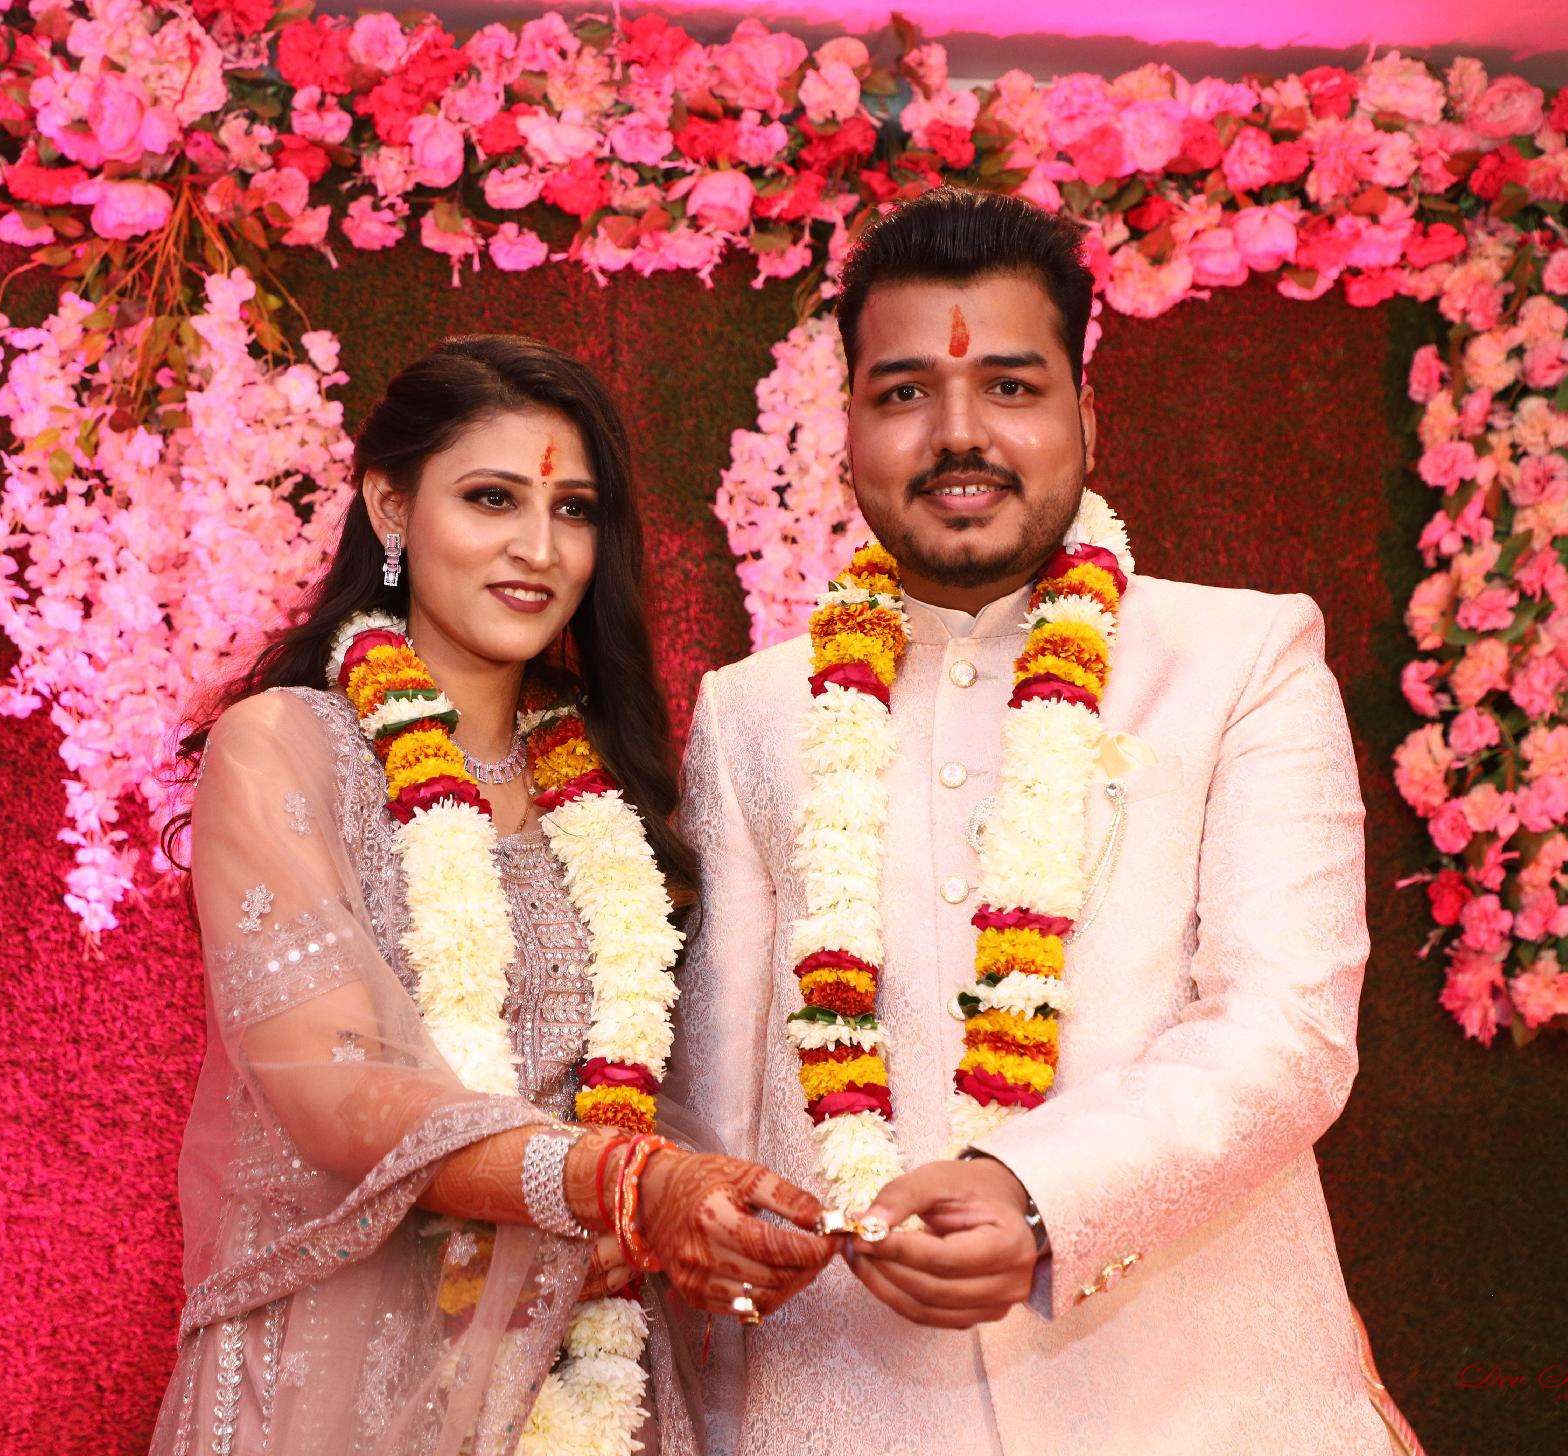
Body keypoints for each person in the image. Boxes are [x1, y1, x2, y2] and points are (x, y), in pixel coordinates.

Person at [673, 188, 1421, 1454]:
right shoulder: (750, 712)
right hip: (855, 1397)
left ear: (1087, 415)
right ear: (848, 429)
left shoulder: (1239, 659)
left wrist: (1039, 1195)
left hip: (1198, 1403)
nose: (959, 433)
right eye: (904, 392)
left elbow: (1286, 1027)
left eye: (1011, 387)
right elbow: (718, 1091)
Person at [148, 335, 838, 1456]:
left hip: (582, 1370)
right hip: (336, 1380)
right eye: (491, 498)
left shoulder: (610, 793)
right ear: (390, 504)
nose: (539, 549)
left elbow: (664, 1087)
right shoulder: (286, 748)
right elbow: (337, 1087)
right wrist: (623, 1184)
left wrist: (707, 1209)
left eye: (574, 510)